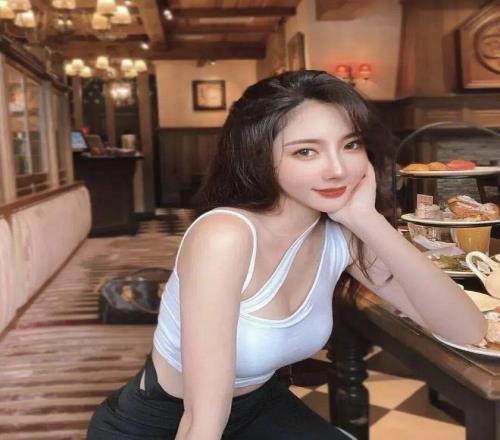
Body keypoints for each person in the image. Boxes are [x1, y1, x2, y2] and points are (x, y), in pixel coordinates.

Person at [87, 70, 487, 440]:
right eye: (305, 152)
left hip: (259, 406)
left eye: (350, 145)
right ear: (259, 156)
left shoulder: (341, 233)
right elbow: (202, 420)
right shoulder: (225, 237)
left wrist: (367, 220)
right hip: (161, 424)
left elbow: (466, 330)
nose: (337, 170)